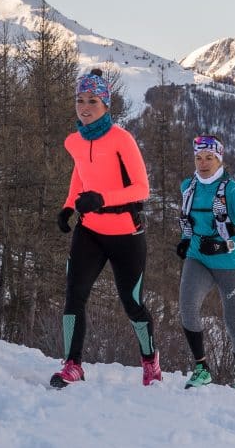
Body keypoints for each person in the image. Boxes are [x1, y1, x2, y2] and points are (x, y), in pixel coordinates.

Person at [50, 68, 160, 388]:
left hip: (126, 234)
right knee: (74, 295)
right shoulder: (74, 141)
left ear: (106, 104)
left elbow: (141, 189)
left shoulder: (121, 139)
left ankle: (149, 359)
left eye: (93, 101)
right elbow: (80, 174)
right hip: (91, 233)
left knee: (132, 302)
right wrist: (68, 206)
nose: (85, 106)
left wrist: (102, 199)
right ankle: (72, 364)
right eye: (80, 100)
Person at [176, 135, 235, 391]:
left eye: (209, 158)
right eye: (199, 158)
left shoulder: (232, 191)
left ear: (219, 159)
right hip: (198, 256)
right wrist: (184, 240)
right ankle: (202, 368)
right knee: (187, 307)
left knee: (234, 324)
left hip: (229, 264)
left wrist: (227, 244)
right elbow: (189, 223)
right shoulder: (187, 187)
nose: (203, 163)